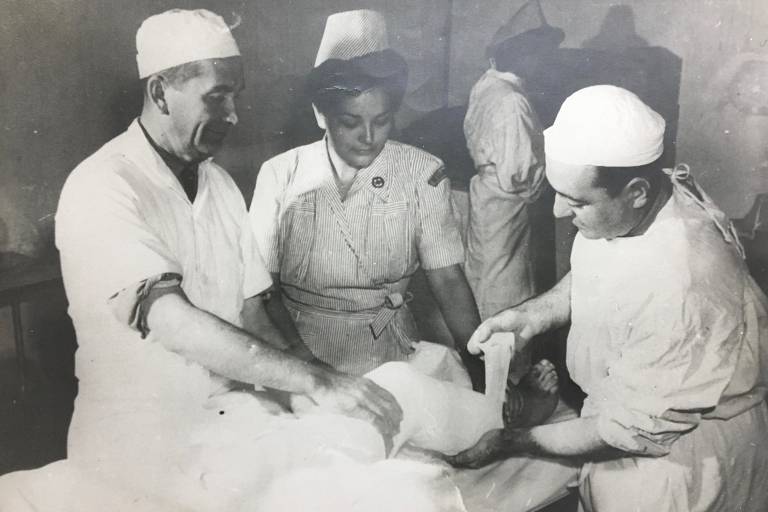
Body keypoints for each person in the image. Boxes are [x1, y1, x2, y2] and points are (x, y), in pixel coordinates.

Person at [44, 8, 403, 509]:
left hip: (226, 418)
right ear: (160, 93)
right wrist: (314, 380)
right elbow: (170, 319)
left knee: (365, 453)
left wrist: (320, 383)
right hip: (138, 438)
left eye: (236, 95)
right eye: (217, 97)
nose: (233, 114)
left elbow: (257, 304)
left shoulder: (218, 184)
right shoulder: (103, 185)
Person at [450, 85, 768, 511]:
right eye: (556, 191)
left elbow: (630, 431)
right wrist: (532, 316)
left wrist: (513, 440)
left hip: (677, 465)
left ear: (635, 191)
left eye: (576, 201)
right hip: (620, 424)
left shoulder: (680, 280)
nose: (559, 212)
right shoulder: (637, 205)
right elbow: (600, 272)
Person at [249, 9, 487, 388]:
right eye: (350, 122)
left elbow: (447, 280)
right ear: (320, 114)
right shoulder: (280, 173)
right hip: (299, 349)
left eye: (382, 120)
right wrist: (306, 366)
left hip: (388, 349)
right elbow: (262, 291)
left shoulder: (422, 172)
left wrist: (481, 368)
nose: (368, 137)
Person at [463, 0, 563, 321]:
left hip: (486, 197)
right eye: (541, 54)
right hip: (509, 203)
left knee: (485, 273)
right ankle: (507, 364)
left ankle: (487, 356)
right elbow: (522, 176)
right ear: (522, 54)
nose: (546, 63)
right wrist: (549, 181)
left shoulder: (486, 87)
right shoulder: (512, 101)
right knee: (508, 284)